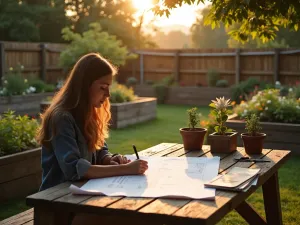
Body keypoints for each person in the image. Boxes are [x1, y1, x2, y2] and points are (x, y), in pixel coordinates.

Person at [36, 53, 148, 224]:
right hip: (58, 205)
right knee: (128, 215)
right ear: (84, 85)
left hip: (82, 198)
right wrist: (126, 169)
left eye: (109, 87)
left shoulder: (89, 114)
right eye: (103, 87)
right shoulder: (61, 118)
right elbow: (75, 169)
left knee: (132, 212)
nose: (108, 94)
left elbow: (99, 149)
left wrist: (109, 159)